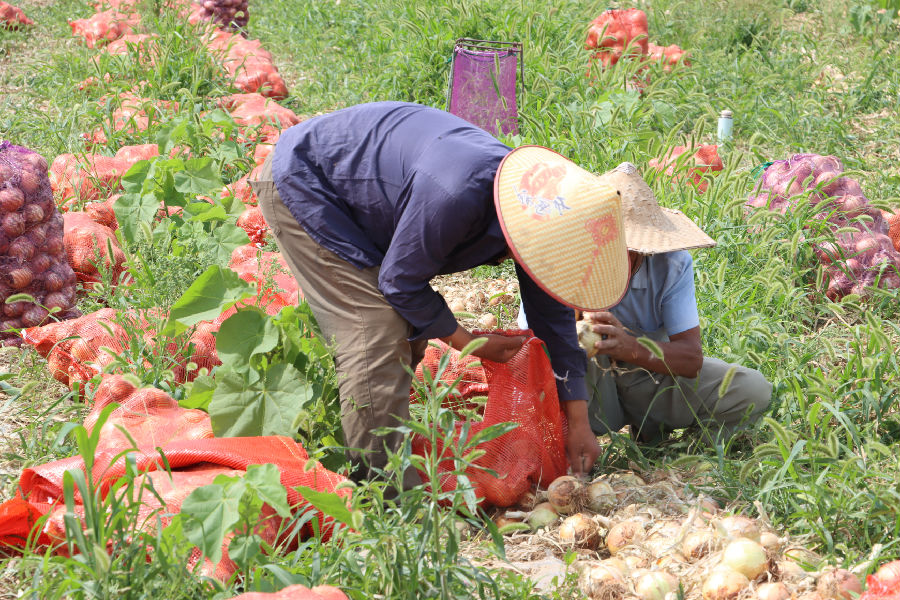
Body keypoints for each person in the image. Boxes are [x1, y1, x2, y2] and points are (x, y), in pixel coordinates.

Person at [249, 101, 631, 486]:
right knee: (376, 330)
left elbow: (554, 323)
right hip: (306, 180)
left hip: (367, 201)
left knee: (404, 328)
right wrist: (470, 343)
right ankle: (387, 499)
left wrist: (579, 424)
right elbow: (400, 282)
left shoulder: (542, 221)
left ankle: (385, 445)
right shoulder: (459, 192)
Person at [519, 162, 772, 445]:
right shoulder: (557, 260)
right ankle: (572, 440)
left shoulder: (671, 265)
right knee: (558, 356)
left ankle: (673, 442)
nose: (610, 256)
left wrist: (628, 346)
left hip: (650, 376)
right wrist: (580, 315)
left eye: (622, 249)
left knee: (753, 390)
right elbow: (532, 350)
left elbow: (690, 359)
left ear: (641, 248)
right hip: (585, 383)